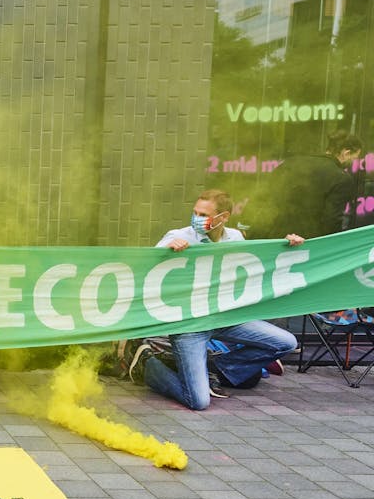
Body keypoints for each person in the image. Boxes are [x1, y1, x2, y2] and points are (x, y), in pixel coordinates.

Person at [128, 189, 303, 411]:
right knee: (198, 402)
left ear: (224, 217)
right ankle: (149, 368)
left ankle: (214, 368)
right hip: (190, 326)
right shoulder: (178, 236)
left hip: (225, 319)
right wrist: (166, 253)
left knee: (286, 342)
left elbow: (260, 260)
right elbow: (147, 269)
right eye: (195, 213)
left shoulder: (235, 238)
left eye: (203, 215)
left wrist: (288, 247)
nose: (196, 219)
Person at [246, 131, 363, 239]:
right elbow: (331, 221)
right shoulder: (341, 178)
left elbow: (261, 195)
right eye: (354, 158)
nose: (353, 162)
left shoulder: (291, 162)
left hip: (270, 236)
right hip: (303, 243)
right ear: (346, 153)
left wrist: (245, 225)